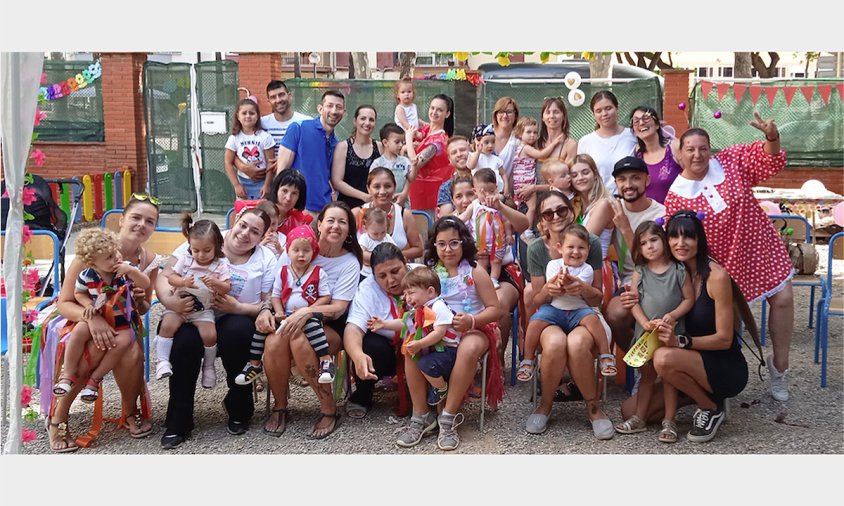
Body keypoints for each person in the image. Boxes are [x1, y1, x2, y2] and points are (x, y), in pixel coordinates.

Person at [664, 113, 793, 401]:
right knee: (728, 323)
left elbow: (769, 159)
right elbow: (680, 241)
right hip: (721, 262)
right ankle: (726, 381)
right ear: (681, 155)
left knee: (783, 300)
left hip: (759, 246)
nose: (698, 155)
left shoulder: (732, 161)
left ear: (710, 149)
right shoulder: (676, 195)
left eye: (703, 148)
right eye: (690, 149)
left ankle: (779, 368)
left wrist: (772, 137)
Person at [47, 194, 160, 452]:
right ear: (121, 220)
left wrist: (140, 301)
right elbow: (65, 302)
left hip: (122, 324)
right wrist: (94, 320)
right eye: (136, 217)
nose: (142, 224)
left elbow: (143, 308)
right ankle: (58, 417)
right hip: (85, 321)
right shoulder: (92, 252)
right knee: (97, 348)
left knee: (130, 350)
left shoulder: (148, 261)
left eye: (150, 221)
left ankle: (129, 411)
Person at [158, 207, 276, 449]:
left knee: (240, 333)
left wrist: (239, 307)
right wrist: (170, 301)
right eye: (243, 225)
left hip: (236, 315)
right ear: (235, 221)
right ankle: (179, 419)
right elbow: (165, 275)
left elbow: (268, 304)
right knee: (184, 342)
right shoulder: (206, 236)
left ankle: (239, 408)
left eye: (255, 231)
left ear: (262, 236)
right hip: (193, 312)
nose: (245, 234)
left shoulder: (266, 259)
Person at [627, 210, 748, 443]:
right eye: (674, 237)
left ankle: (710, 406)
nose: (680, 243)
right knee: (630, 410)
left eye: (688, 237)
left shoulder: (716, 276)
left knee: (662, 357)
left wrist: (681, 342)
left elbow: (725, 339)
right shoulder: (672, 268)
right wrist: (631, 301)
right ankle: (694, 394)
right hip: (685, 361)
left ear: (699, 239)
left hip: (721, 363)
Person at [397, 216, 502, 450]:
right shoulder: (430, 272)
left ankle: (448, 417)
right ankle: (421, 415)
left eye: (454, 242)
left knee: (469, 348)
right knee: (410, 345)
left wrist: (472, 320)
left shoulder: (475, 272)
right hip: (437, 329)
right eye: (441, 243)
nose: (448, 249)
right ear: (434, 245)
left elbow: (496, 310)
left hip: (472, 328)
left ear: (463, 242)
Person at [261, 202, 363, 439]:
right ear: (320, 224)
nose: (335, 226)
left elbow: (338, 308)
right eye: (330, 220)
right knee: (273, 342)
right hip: (287, 318)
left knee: (300, 341)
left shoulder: (349, 262)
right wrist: (267, 309)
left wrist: (307, 312)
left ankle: (328, 408)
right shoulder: (299, 246)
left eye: (342, 222)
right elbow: (273, 288)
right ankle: (280, 405)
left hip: (329, 325)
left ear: (349, 230)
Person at [522, 192, 614, 439]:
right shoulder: (537, 250)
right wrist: (548, 291)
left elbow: (597, 299)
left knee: (577, 342)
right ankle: (545, 404)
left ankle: (593, 406)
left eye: (561, 210)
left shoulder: (589, 242)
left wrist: (583, 289)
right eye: (547, 213)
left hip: (584, 311)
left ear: (571, 212)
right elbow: (536, 302)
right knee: (554, 343)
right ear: (541, 219)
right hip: (552, 312)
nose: (555, 216)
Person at [614, 221, 694, 438]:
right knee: (647, 377)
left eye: (654, 240)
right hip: (646, 334)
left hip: (670, 334)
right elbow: (634, 302)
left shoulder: (678, 270)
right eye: (643, 243)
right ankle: (639, 417)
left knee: (669, 378)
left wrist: (674, 315)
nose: (649, 246)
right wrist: (644, 322)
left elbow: (689, 299)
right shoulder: (640, 271)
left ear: (664, 240)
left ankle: (670, 421)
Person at [53, 228, 151, 403]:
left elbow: (145, 283)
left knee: (122, 342)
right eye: (109, 257)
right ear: (92, 263)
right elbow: (79, 293)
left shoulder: (125, 271)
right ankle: (67, 375)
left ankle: (94, 380)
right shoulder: (87, 275)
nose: (116, 258)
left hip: (120, 320)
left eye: (116, 252)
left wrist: (133, 271)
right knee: (78, 333)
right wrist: (88, 306)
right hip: (97, 316)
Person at [236, 225, 334, 388]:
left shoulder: (318, 272)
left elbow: (326, 296)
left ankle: (325, 361)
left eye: (306, 250)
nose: (301, 254)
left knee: (315, 326)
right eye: (296, 250)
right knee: (262, 328)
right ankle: (254, 364)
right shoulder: (283, 272)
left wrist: (309, 310)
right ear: (288, 251)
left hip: (307, 315)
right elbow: (275, 295)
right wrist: (279, 311)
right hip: (286, 315)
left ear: (314, 251)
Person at [520, 224, 614, 382]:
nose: (576, 252)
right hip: (554, 308)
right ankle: (528, 360)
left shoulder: (588, 269)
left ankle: (606, 356)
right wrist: (558, 283)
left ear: (588, 249)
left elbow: (577, 285)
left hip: (579, 309)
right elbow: (552, 284)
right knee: (534, 322)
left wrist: (567, 281)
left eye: (581, 248)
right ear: (560, 248)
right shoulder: (553, 265)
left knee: (593, 320)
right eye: (570, 247)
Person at [155, 214, 230, 388]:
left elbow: (226, 287)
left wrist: (216, 283)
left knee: (210, 335)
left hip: (203, 309)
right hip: (179, 307)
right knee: (167, 326)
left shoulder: (220, 264)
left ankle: (209, 367)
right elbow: (170, 277)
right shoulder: (186, 259)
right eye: (196, 250)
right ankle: (162, 361)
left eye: (206, 250)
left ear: (217, 246)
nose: (201, 255)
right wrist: (182, 282)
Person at [368, 266, 461, 408]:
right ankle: (430, 400)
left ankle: (442, 388)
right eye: (405, 294)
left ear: (430, 292)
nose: (407, 298)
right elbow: (404, 323)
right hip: (435, 350)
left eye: (411, 293)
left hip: (448, 351)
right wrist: (384, 324)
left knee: (424, 364)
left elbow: (439, 333)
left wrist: (420, 344)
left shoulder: (438, 307)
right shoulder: (419, 309)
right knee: (419, 360)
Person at [343, 243, 414, 419]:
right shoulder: (367, 289)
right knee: (368, 346)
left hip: (420, 345)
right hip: (387, 351)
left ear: (406, 263)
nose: (390, 281)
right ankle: (363, 395)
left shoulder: (422, 276)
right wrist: (357, 355)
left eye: (395, 271)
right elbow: (353, 328)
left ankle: (428, 395)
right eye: (382, 276)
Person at [603, 156, 666, 351]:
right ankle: (644, 363)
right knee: (614, 314)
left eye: (635, 178)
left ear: (647, 180)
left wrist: (625, 228)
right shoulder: (612, 208)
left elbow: (651, 262)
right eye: (622, 180)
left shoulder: (661, 214)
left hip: (656, 279)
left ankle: (656, 363)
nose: (628, 185)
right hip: (627, 281)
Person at [277, 90, 346, 216]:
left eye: (339, 107)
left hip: (324, 210)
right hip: (298, 209)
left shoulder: (337, 144)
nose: (334, 111)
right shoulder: (299, 128)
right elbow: (282, 171)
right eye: (329, 106)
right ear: (320, 108)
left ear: (344, 113)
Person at [352, 167, 423, 263]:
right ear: (368, 189)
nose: (382, 192)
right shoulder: (357, 213)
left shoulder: (404, 215)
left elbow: (418, 249)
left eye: (387, 186)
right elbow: (345, 246)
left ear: (394, 187)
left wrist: (393, 257)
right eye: (376, 187)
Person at [458, 168, 512, 289]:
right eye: (483, 192)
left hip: (498, 241)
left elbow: (506, 220)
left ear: (496, 189)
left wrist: (508, 235)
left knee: (496, 261)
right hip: (480, 241)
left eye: (491, 191)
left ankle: (493, 279)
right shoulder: (474, 205)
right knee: (481, 260)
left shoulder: (498, 205)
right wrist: (452, 221)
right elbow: (464, 217)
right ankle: (482, 280)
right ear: (475, 191)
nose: (488, 195)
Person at [576, 90, 637, 195]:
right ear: (593, 114)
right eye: (599, 111)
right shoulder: (585, 142)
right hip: (598, 200)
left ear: (617, 108)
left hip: (630, 200)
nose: (604, 114)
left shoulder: (633, 135)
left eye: (608, 108)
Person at [406, 93, 454, 223]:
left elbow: (415, 161)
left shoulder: (437, 141)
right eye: (432, 108)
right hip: (415, 193)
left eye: (440, 110)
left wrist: (408, 138)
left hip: (426, 198)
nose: (434, 112)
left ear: (447, 114)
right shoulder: (427, 130)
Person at [511, 116, 567, 224]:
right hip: (525, 183)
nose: (532, 135)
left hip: (519, 184)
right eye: (528, 132)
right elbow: (541, 154)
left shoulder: (520, 147)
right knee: (532, 208)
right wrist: (554, 143)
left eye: (535, 132)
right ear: (520, 134)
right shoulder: (526, 148)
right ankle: (527, 229)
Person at [331, 105, 381, 209]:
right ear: (355, 121)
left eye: (371, 120)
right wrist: (364, 196)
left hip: (374, 208)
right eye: (363, 118)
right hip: (347, 208)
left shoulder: (380, 147)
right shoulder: (343, 147)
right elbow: (337, 182)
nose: (367, 123)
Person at [224, 98, 275, 200]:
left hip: (262, 182)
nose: (248, 116)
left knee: (262, 212)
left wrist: (267, 185)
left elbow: (271, 163)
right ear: (238, 116)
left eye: (252, 113)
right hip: (243, 182)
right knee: (244, 212)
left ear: (257, 116)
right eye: (244, 113)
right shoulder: (234, 138)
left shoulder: (265, 137)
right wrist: (237, 185)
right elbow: (228, 162)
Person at [630, 106, 681, 204]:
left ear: (657, 124)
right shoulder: (637, 153)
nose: (641, 123)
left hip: (674, 214)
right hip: (647, 216)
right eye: (636, 121)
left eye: (646, 118)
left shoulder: (675, 147)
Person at [571, 153, 615, 260]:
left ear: (595, 174)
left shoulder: (603, 204)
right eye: (574, 175)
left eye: (585, 173)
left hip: (596, 269)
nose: (580, 178)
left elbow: (582, 241)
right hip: (578, 265)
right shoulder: (576, 206)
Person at [261, 80, 311, 164]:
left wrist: (283, 162)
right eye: (273, 97)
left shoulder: (306, 122)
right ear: (268, 101)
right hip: (269, 176)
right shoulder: (262, 124)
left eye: (281, 95)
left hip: (297, 175)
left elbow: (311, 152)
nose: (278, 100)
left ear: (289, 96)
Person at [370, 122, 415, 208]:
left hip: (402, 204)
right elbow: (371, 184)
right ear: (385, 142)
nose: (401, 145)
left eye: (403, 142)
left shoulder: (405, 161)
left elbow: (410, 178)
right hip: (381, 205)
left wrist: (415, 166)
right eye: (397, 142)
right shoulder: (377, 163)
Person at [536, 96, 578, 174]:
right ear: (542, 117)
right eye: (548, 112)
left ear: (564, 117)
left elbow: (566, 179)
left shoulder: (570, 145)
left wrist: (535, 187)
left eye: (556, 112)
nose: (552, 116)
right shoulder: (536, 143)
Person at [266, 169, 312, 236]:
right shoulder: (256, 209)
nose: (288, 198)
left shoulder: (301, 222)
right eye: (284, 191)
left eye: (294, 193)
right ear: (276, 189)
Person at [490, 96, 522, 190]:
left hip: (508, 194)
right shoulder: (484, 133)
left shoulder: (518, 140)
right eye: (501, 112)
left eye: (509, 112)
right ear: (496, 114)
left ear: (515, 115)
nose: (505, 116)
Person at [436, 136, 473, 216]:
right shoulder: (446, 187)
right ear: (449, 159)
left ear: (471, 152)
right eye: (454, 152)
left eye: (462, 150)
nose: (459, 154)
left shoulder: (485, 178)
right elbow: (445, 220)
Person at [467, 123, 506, 195]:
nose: (490, 145)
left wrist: (506, 189)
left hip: (497, 191)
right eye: (486, 142)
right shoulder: (474, 156)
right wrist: (478, 151)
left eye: (493, 142)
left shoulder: (496, 159)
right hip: (481, 192)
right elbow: (471, 166)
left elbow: (503, 174)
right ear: (477, 142)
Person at [358, 207, 398, 277]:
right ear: (365, 226)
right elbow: (361, 254)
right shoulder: (365, 238)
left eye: (383, 232)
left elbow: (396, 250)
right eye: (375, 234)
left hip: (384, 274)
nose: (380, 236)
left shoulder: (387, 237)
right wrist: (379, 258)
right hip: (366, 274)